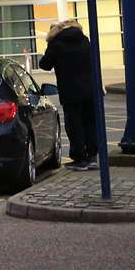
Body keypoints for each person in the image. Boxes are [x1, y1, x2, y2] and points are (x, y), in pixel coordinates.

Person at [39, 19, 98, 170]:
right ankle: (92, 156)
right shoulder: (84, 40)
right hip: (89, 89)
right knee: (90, 123)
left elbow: (44, 65)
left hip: (70, 91)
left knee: (74, 125)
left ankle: (80, 159)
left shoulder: (56, 44)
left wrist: (50, 47)